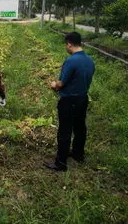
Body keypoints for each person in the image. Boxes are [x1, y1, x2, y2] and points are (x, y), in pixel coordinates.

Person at [44, 32, 95, 171]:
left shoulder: (71, 60)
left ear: (69, 44)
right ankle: (78, 154)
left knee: (65, 130)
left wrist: (53, 85)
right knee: (80, 127)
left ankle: (60, 163)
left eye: (66, 45)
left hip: (69, 100)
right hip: (83, 98)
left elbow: (61, 83)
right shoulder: (90, 60)